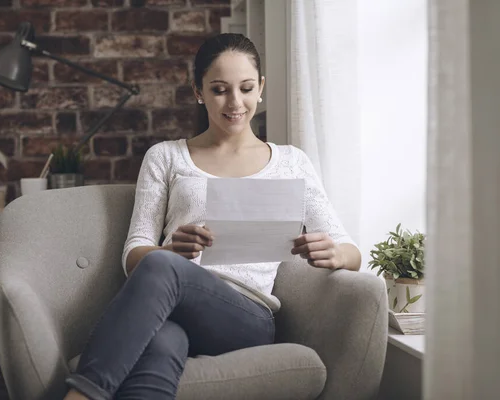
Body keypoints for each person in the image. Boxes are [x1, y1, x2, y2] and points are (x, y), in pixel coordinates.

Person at [64, 33, 361, 400]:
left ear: (261, 88)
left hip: (247, 318)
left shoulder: (291, 162)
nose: (235, 102)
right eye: (220, 89)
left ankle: (79, 396)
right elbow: (133, 255)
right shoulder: (166, 157)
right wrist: (171, 252)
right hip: (170, 307)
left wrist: (334, 252)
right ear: (198, 91)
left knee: (160, 269)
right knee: (162, 339)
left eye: (246, 88)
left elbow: (352, 251)